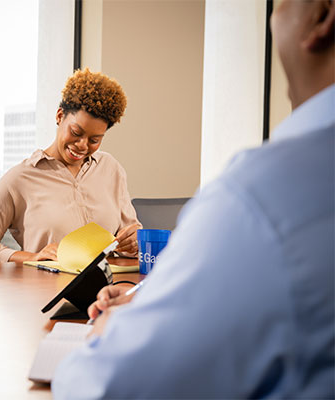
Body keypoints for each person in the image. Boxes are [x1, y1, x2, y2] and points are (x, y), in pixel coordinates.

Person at [53, 0, 334, 398]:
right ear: (60, 117)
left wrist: (107, 334)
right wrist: (146, 295)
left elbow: (112, 383)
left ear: (322, 15)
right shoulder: (272, 200)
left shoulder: (257, 200)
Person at [0, 69, 142, 264]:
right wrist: (32, 257)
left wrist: (134, 243)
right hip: (47, 290)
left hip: (106, 290)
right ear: (59, 116)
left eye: (94, 139)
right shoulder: (20, 178)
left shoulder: (111, 170)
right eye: (76, 132)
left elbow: (130, 238)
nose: (82, 145)